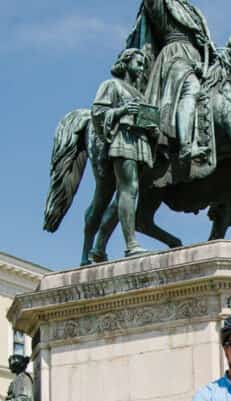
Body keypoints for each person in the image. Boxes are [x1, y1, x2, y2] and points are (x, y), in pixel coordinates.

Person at [87, 47, 157, 262]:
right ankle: (130, 245)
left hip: (139, 141)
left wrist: (151, 125)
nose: (142, 67)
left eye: (144, 64)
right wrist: (123, 111)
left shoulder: (140, 93)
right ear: (126, 62)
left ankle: (98, 247)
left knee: (124, 196)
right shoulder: (111, 85)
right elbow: (98, 113)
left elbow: (144, 118)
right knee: (129, 189)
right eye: (139, 63)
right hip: (122, 139)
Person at [126, 0, 215, 162]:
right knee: (192, 89)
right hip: (175, 57)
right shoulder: (163, 4)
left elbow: (205, 43)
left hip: (198, 60)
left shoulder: (191, 10)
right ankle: (186, 147)